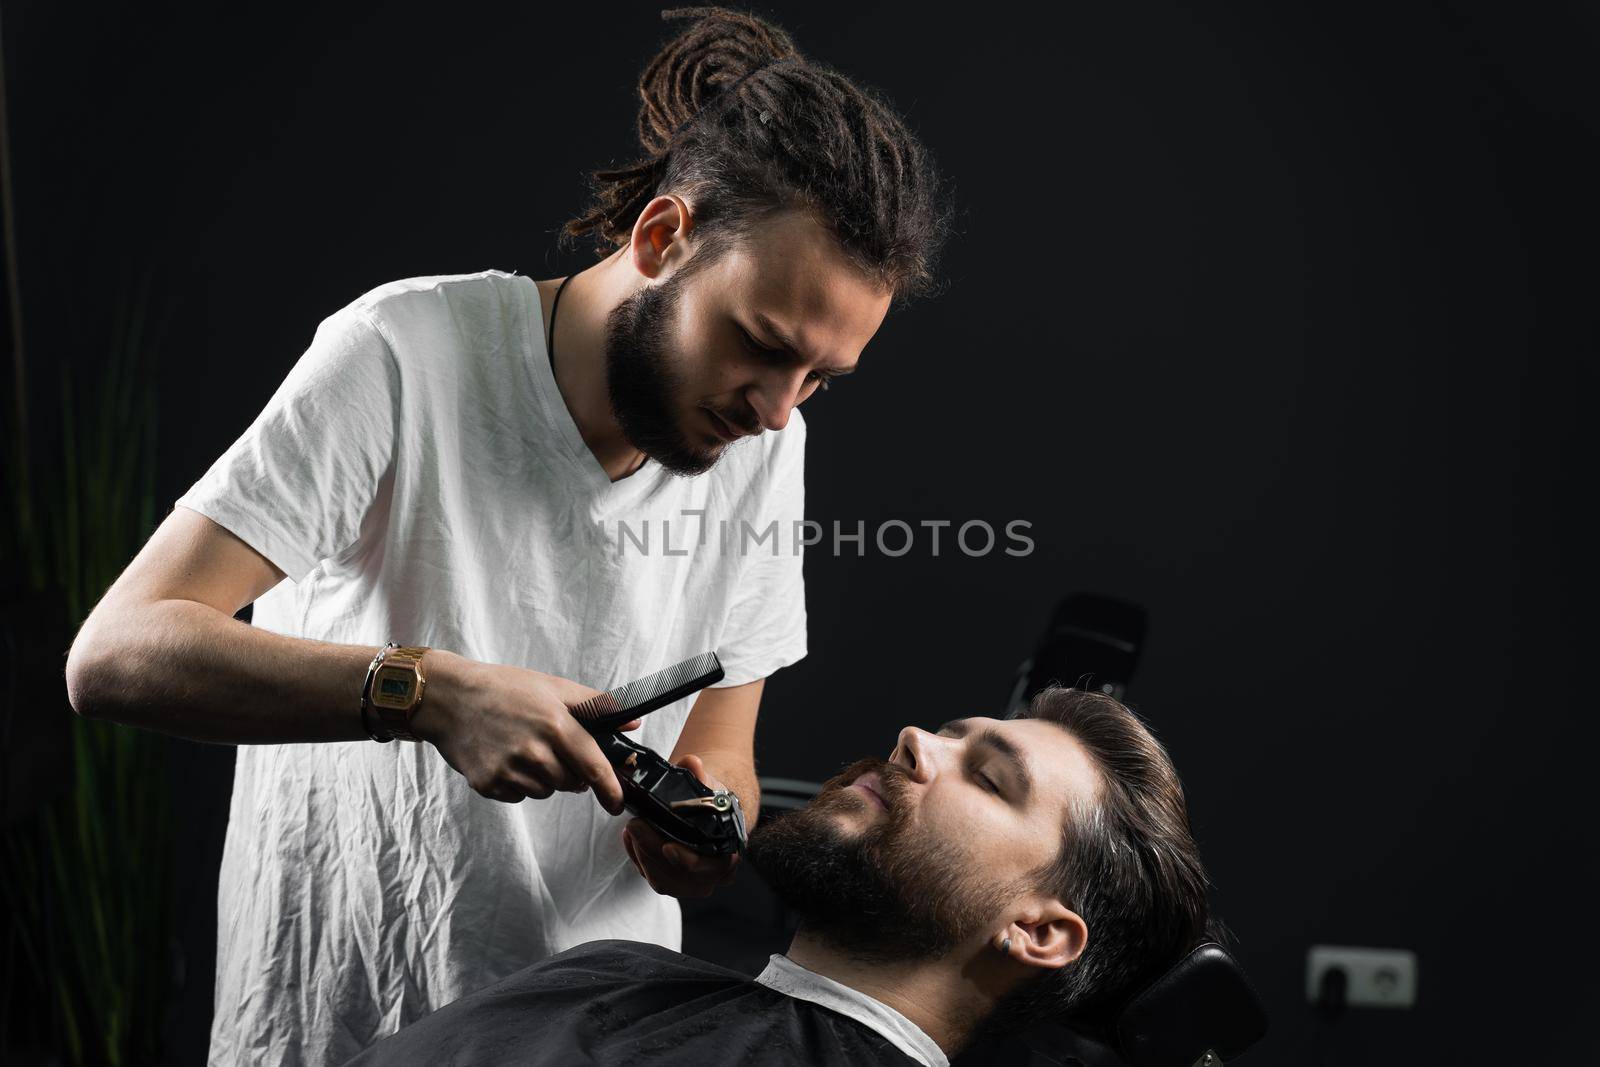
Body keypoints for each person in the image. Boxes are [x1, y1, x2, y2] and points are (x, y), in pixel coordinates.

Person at [62, 7, 951, 1063]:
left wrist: (703, 827)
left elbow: (722, 748)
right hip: (339, 1020)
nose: (775, 408)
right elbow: (115, 653)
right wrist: (428, 691)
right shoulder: (404, 352)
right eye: (759, 345)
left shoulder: (767, 440)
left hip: (586, 1035)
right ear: (663, 238)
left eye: (819, 379)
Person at [347, 687, 1216, 1067]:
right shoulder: (612, 971)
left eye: (989, 776)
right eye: (952, 729)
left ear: (1038, 930)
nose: (916, 737)